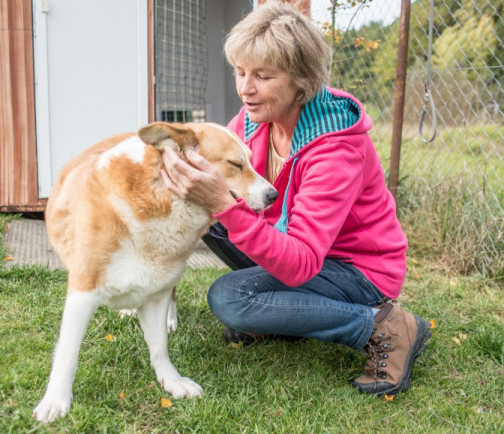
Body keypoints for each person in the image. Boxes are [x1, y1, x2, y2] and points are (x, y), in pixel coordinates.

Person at [160, 1, 430, 397]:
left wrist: (224, 206)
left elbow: (301, 262)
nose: (245, 88)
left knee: (230, 297)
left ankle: (381, 326)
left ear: (300, 79)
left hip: (356, 270)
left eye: (263, 76)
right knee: (211, 218)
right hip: (297, 248)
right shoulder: (255, 119)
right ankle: (283, 318)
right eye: (239, 72)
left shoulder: (335, 150)